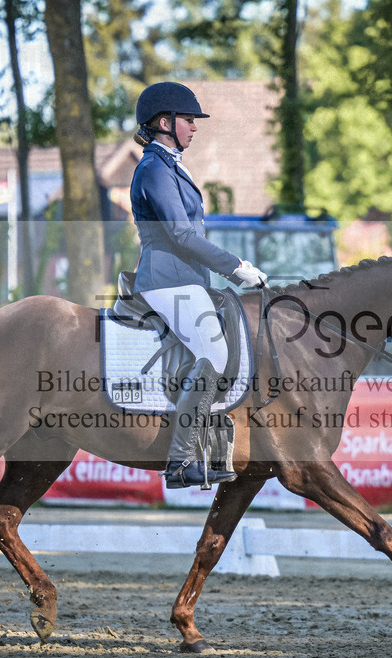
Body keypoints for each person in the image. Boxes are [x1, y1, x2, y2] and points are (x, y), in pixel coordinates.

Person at [129, 81, 269, 489]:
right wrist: (236, 267)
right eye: (188, 120)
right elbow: (182, 236)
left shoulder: (170, 165)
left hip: (187, 280)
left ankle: (217, 444)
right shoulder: (154, 168)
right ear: (163, 122)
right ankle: (180, 459)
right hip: (166, 279)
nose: (194, 126)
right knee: (212, 350)